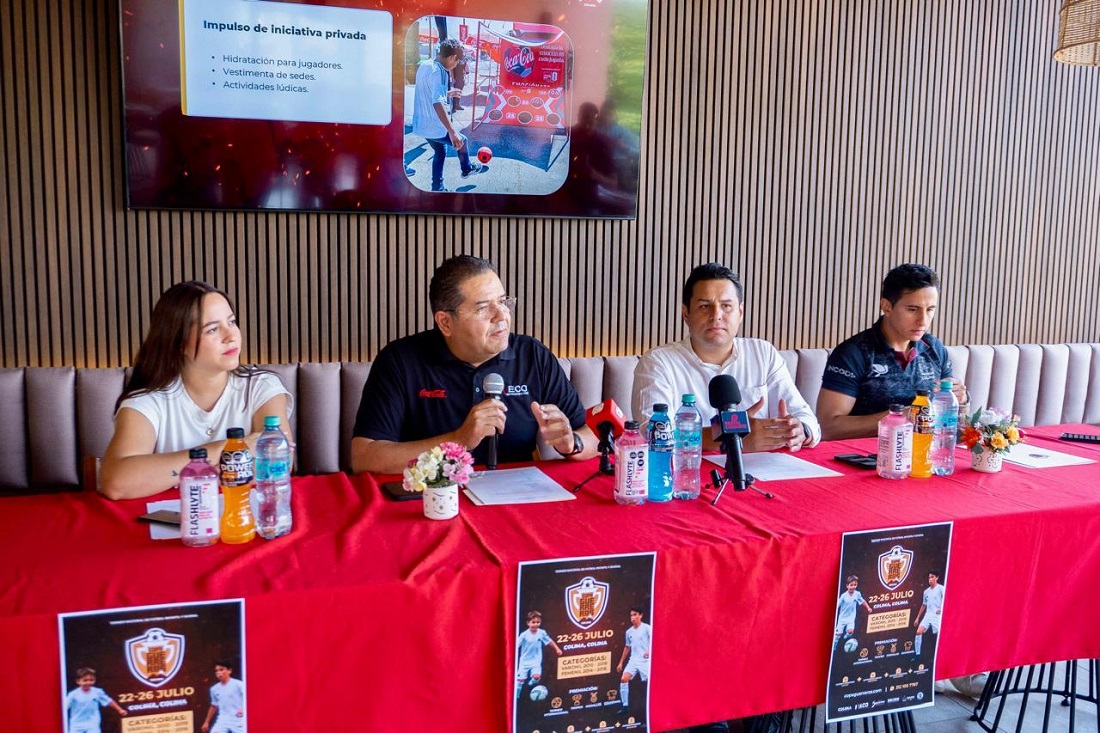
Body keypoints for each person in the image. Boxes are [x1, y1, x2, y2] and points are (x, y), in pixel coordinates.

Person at [351, 255, 596, 474]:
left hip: (515, 496)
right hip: (432, 496)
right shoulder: (400, 361)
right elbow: (364, 456)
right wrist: (458, 440)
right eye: (483, 308)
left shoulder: (532, 356)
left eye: (503, 301)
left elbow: (592, 436)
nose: (502, 315)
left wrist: (572, 443)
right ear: (445, 322)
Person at [100, 281, 293, 500]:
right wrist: (226, 449)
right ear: (179, 343)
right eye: (213, 329)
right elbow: (116, 483)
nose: (231, 336)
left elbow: (278, 464)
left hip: (243, 514)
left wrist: (171, 472)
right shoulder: (148, 400)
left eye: (232, 322)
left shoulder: (261, 386)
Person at [632, 263, 820, 453]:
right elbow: (652, 435)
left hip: (763, 467)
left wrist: (800, 430)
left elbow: (808, 420)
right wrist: (732, 436)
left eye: (726, 306)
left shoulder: (763, 353)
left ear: (740, 312)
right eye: (704, 306)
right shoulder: (657, 362)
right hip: (689, 468)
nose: (716, 316)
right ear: (686, 314)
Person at [817, 264, 969, 441]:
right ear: (887, 306)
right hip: (867, 453)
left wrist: (962, 401)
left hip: (926, 451)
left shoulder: (935, 349)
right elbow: (828, 427)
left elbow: (955, 426)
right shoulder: (853, 353)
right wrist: (899, 417)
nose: (923, 321)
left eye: (930, 310)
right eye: (912, 309)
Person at [412, 38, 485, 192]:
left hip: (420, 124)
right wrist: (452, 131)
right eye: (457, 61)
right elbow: (437, 103)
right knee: (461, 141)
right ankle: (467, 168)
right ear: (452, 57)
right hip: (433, 125)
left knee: (440, 151)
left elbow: (428, 92)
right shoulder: (439, 71)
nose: (456, 65)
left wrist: (447, 93)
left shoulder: (425, 65)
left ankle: (437, 187)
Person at [515, 610, 563, 699]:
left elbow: (549, 641)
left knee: (536, 677)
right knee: (520, 680)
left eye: (538, 622)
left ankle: (530, 684)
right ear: (528, 623)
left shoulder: (541, 633)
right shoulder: (524, 635)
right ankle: (517, 696)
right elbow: (515, 646)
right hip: (524, 661)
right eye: (533, 622)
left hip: (536, 660)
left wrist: (557, 649)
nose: (536, 624)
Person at [65, 667, 127, 733]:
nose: (88, 682)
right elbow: (64, 707)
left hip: (92, 723)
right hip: (76, 724)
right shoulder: (73, 694)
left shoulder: (97, 692)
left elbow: (109, 701)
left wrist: (120, 709)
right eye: (85, 680)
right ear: (78, 681)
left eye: (91, 680)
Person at [616, 607, 652, 715]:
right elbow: (627, 647)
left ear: (640, 615)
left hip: (645, 661)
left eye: (635, 615)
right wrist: (621, 662)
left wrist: (649, 651)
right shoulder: (629, 632)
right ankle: (625, 706)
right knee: (624, 679)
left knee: (651, 683)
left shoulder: (647, 628)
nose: (632, 617)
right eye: (631, 615)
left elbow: (654, 640)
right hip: (633, 660)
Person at [201, 660, 246, 733]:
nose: (218, 672)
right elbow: (214, 706)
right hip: (222, 721)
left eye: (221, 669)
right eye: (216, 671)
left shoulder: (239, 684)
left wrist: (244, 709)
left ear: (229, 671)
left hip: (238, 720)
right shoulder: (214, 689)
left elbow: (250, 698)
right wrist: (206, 722)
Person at [834, 575, 873, 650]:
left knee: (850, 631)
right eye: (851, 585)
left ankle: (846, 636)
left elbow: (862, 601)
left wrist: (868, 608)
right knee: (838, 635)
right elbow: (837, 605)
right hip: (842, 618)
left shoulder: (857, 594)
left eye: (855, 585)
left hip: (851, 618)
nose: (853, 587)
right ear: (847, 586)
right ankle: (834, 648)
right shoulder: (843, 596)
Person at [913, 570, 945, 659]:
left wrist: (941, 608)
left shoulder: (941, 588)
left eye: (932, 577)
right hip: (928, 615)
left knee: (940, 635)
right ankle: (917, 655)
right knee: (918, 632)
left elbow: (947, 599)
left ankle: (942, 654)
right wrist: (917, 618)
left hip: (937, 615)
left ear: (936, 578)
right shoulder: (926, 591)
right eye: (929, 577)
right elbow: (924, 605)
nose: (930, 579)